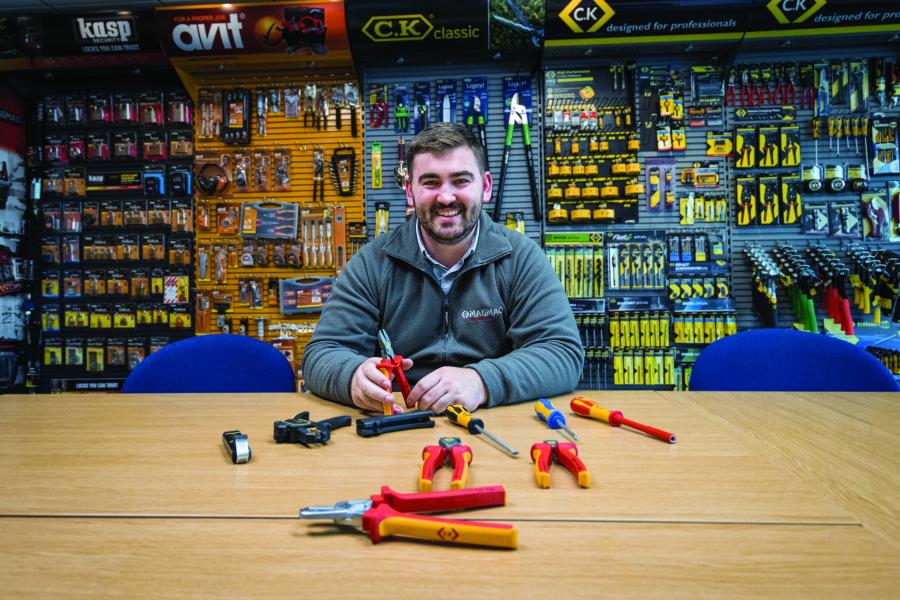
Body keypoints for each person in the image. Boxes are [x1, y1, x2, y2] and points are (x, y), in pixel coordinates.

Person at [301, 122, 583, 414]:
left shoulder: (521, 259)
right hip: (397, 425)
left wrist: (481, 381)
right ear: (410, 191)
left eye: (461, 181)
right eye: (431, 182)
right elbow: (320, 355)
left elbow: (562, 353)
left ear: (485, 187)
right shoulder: (371, 264)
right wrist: (352, 378)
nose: (446, 197)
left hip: (493, 421)